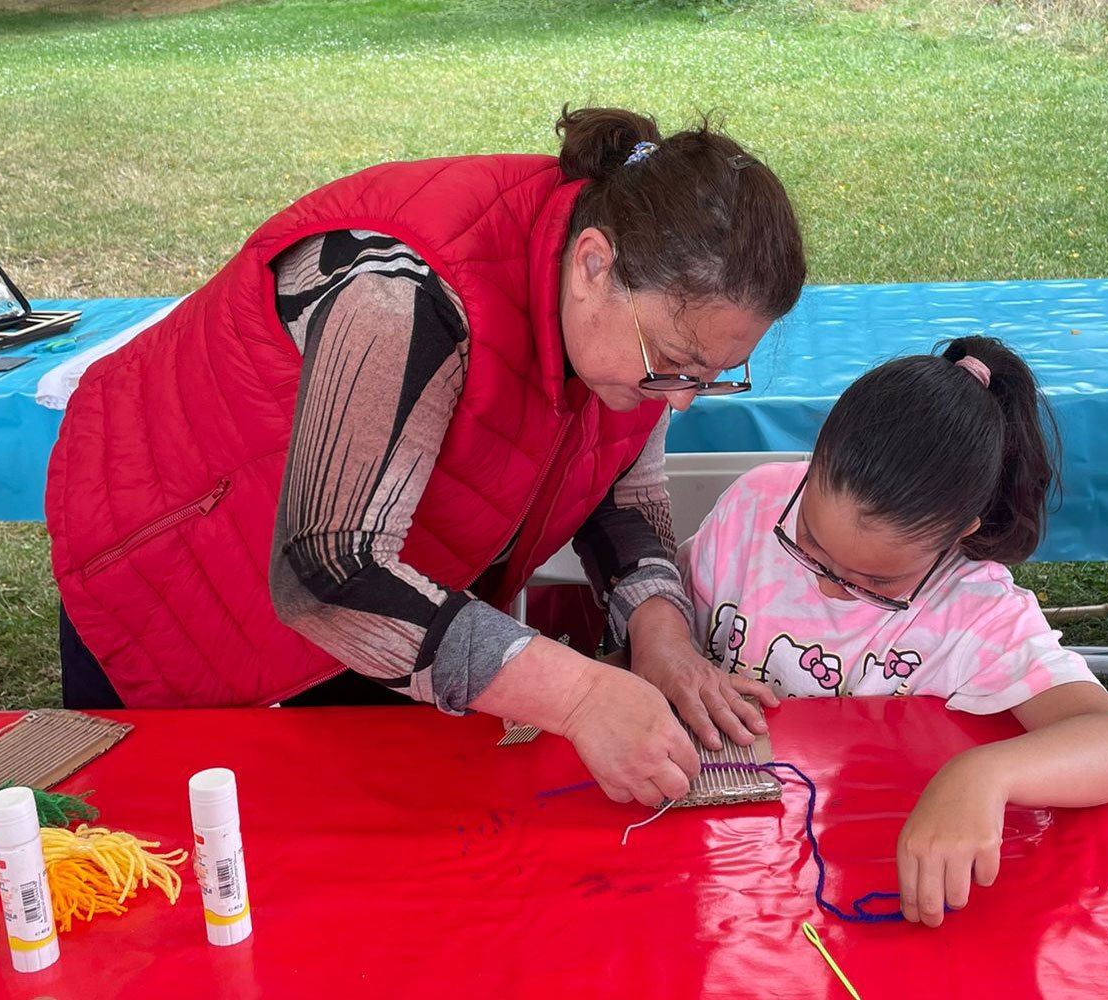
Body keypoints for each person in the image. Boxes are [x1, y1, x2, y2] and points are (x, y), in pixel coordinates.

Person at [45, 106, 804, 809]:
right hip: (182, 575)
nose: (679, 400)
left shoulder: (629, 327)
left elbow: (617, 489)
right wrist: (577, 695)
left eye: (709, 376)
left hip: (391, 594)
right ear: (592, 264)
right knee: (188, 863)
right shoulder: (396, 293)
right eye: (673, 364)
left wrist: (661, 638)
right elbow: (329, 573)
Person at [680, 336, 1108, 925]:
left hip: (864, 869)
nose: (829, 588)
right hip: (726, 861)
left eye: (875, 580)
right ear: (813, 464)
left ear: (958, 534)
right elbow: (666, 629)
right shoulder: (754, 506)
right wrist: (682, 665)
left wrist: (984, 774)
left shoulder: (973, 610)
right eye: (810, 544)